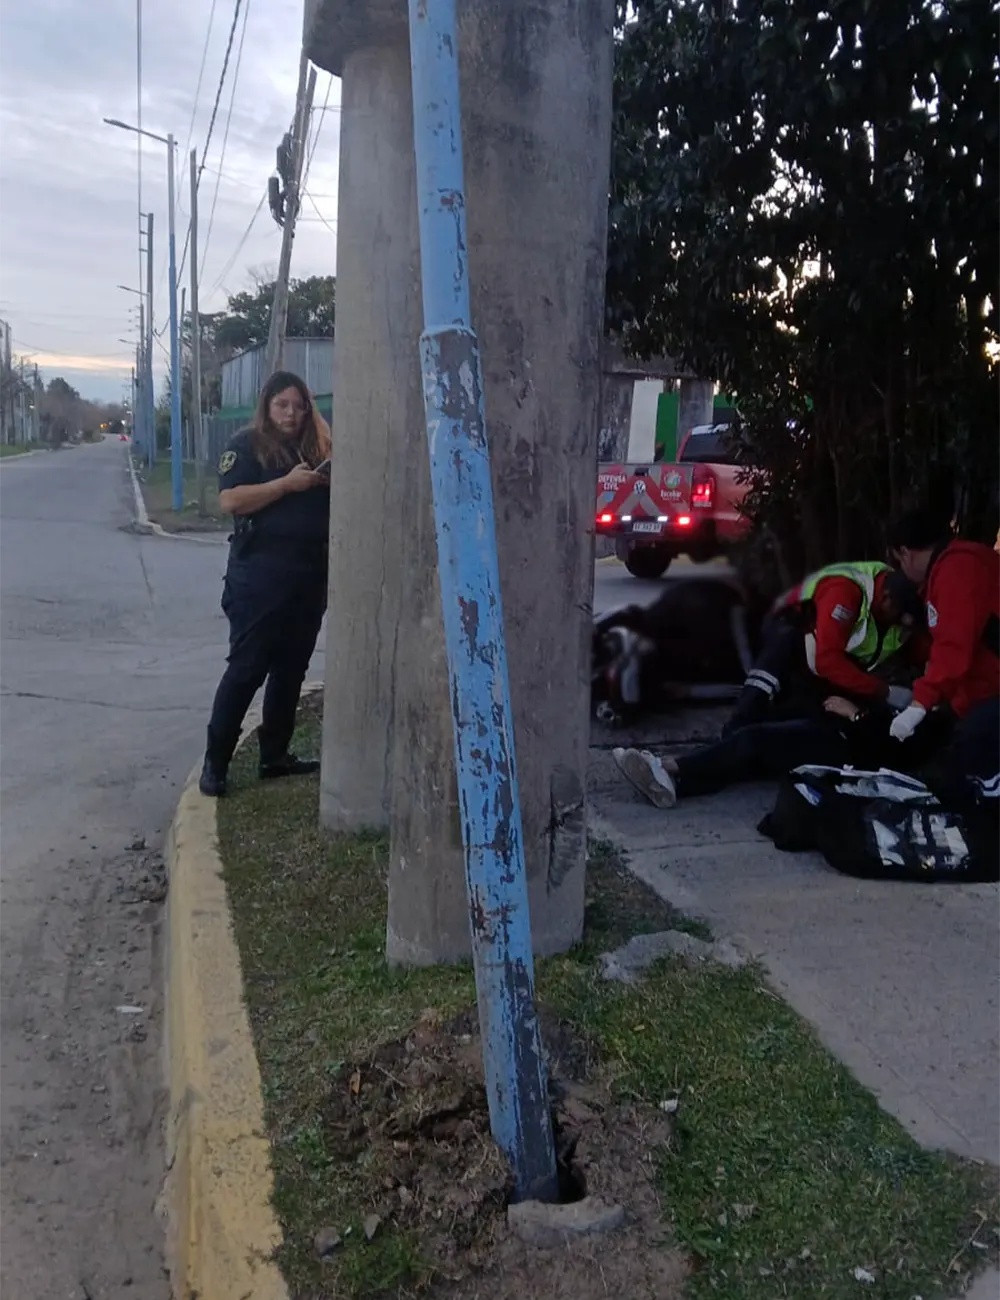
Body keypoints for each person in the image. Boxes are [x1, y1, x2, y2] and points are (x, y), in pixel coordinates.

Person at [199, 371, 332, 797]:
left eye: (298, 405)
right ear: (267, 406)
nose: (291, 413)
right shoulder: (247, 445)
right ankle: (215, 764)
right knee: (247, 669)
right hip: (260, 577)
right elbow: (230, 501)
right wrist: (287, 485)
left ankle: (274, 755)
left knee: (291, 671)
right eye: (282, 405)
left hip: (309, 577)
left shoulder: (316, 447)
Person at [611, 691, 945, 809]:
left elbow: (890, 753)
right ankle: (676, 786)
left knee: (755, 741)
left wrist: (855, 715)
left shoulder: (932, 724)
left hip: (844, 750)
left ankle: (669, 767)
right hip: (838, 732)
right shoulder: (925, 700)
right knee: (746, 758)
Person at [724, 560, 923, 734]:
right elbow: (827, 660)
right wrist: (885, 691)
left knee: (819, 706)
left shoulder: (895, 606)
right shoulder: (845, 591)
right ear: (886, 598)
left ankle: (765, 731)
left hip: (822, 650)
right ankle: (737, 726)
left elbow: (923, 651)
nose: (900, 622)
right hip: (792, 624)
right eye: (899, 614)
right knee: (769, 674)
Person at [886, 509, 1000, 807]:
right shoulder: (951, 570)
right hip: (984, 694)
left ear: (905, 553)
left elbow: (954, 646)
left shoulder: (958, 570)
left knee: (973, 759)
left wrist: (919, 704)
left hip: (992, 700)